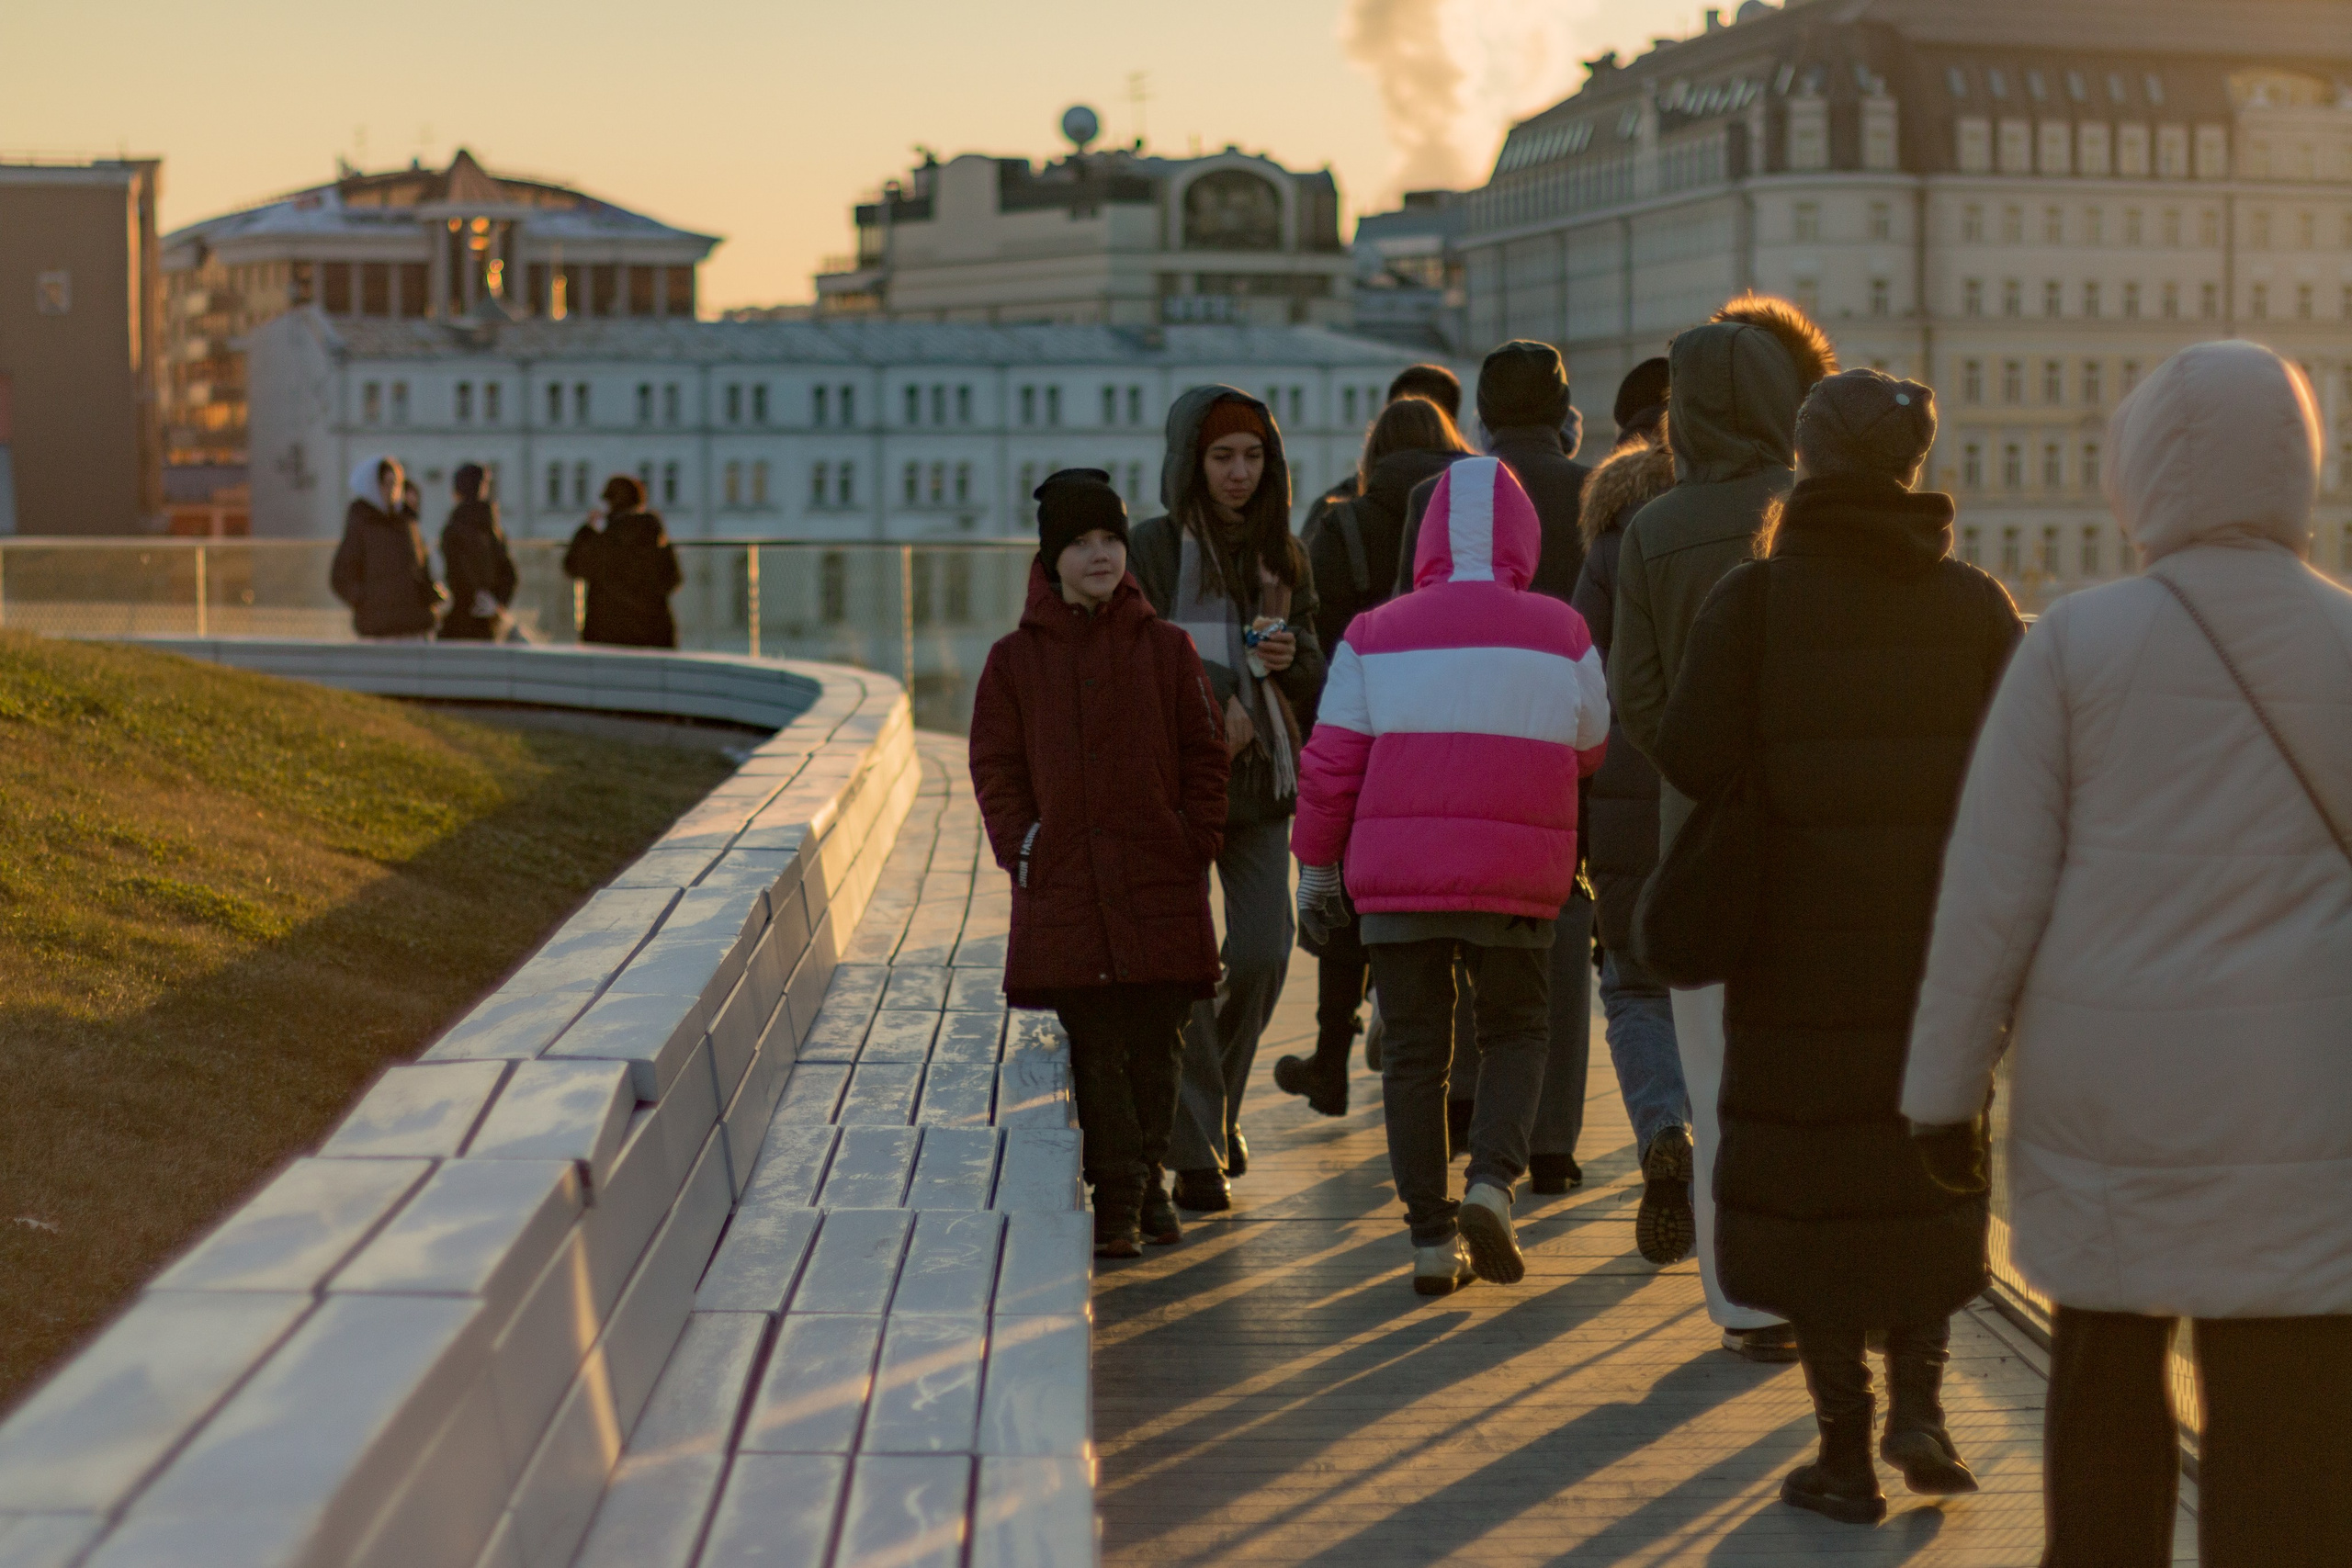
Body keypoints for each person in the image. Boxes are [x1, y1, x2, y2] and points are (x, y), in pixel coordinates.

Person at [1902, 341, 2352, 1564]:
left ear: (2139, 465)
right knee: (2292, 1416)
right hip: (2307, 1095)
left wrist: (1942, 1093)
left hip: (2113, 1100)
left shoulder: (2077, 642)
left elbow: (1992, 892)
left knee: (2103, 1381)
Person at [1650, 369, 2020, 1525]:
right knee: (1921, 1170)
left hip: (1792, 945)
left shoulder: (1752, 602)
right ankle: (1923, 1400)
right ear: (1912, 468)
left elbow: (1691, 756)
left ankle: (1843, 1451)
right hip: (1935, 943)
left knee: (1814, 1191)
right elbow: (2020, 782)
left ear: (1807, 462)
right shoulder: (1972, 605)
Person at [1293, 456, 1609, 1295]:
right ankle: (1492, 1185)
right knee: (1515, 1031)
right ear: (1525, 537)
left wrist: (1317, 870)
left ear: (1427, 538)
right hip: (1514, 875)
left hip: (1398, 883)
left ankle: (1431, 1238)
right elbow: (1593, 744)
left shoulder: (1371, 632)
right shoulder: (1564, 631)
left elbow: (1329, 766)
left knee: (1415, 1056)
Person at [1610, 294, 1836, 1363]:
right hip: (1823, 836)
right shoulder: (1819, 504)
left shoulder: (1651, 528)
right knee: (1819, 1067)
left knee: (1716, 1073)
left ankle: (1747, 1303)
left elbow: (1638, 693)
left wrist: (1704, 771)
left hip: (1699, 834)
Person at [969, 469, 1230, 1258]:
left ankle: (1145, 1177)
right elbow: (996, 767)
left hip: (1157, 876)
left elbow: (1206, 751)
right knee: (1097, 1046)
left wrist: (1194, 837)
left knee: (1159, 1045)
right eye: (1080, 542)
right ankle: (1118, 1196)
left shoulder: (1166, 648)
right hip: (1071, 886)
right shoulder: (1014, 661)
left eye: (1111, 540)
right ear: (1051, 558)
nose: (1099, 555)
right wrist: (1027, 847)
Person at [1392, 340, 1597, 1195]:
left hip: (1448, 733)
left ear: (1479, 417)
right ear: (1566, 417)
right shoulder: (1597, 493)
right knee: (1552, 929)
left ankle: (1467, 1105)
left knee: (1463, 908)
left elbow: (1404, 603)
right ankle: (1547, 1141)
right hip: (1558, 732)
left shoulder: (1433, 497)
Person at [1129, 388, 1328, 1213]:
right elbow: (1137, 658)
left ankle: (1213, 1112)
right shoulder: (1151, 547)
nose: (1239, 473)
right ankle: (1196, 1152)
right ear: (1190, 464)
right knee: (1182, 966)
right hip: (1173, 789)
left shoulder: (1284, 553)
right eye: (1221, 457)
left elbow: (1318, 674)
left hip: (1259, 789)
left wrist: (1288, 657)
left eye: (1252, 456)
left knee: (1260, 951)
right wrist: (1219, 699)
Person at [1273, 394, 1474, 1118]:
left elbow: (1314, 632)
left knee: (1347, 900)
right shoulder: (1474, 513)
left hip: (1365, 733)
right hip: (1459, 733)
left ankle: (1331, 1058)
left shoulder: (1344, 520)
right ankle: (1455, 1078)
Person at [1567, 362, 1690, 1266]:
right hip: (1718, 785)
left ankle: (1659, 1128)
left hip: (1619, 786)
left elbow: (1582, 674)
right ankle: (1721, 1157)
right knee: (1721, 989)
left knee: (1634, 986)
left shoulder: (1609, 539)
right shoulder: (1747, 521)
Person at [1301, 364, 1464, 540]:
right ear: (1450, 427)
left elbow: (1305, 565)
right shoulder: (1478, 501)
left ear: (1387, 420)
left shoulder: (1336, 511)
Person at [329, 456, 441, 640]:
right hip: (378, 630)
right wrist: (368, 600)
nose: (393, 491)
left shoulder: (407, 522)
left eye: (396, 484)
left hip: (414, 627)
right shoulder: (362, 524)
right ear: (374, 486)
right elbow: (341, 577)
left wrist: (430, 596)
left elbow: (422, 568)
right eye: (387, 484)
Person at [563, 475, 682, 649]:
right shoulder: (654, 537)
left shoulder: (604, 542)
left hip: (606, 637)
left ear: (610, 504)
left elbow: (572, 565)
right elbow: (672, 580)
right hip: (653, 637)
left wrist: (586, 530)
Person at [437, 463, 518, 641]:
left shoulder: (454, 529)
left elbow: (455, 576)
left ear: (456, 493)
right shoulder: (493, 528)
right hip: (488, 620)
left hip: (461, 619)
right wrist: (497, 603)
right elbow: (509, 574)